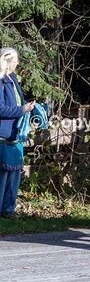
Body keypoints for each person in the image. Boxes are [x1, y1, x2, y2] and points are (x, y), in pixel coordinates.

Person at [0, 48, 35, 219]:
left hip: (16, 134)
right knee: (2, 175)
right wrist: (22, 109)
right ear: (6, 61)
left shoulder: (13, 79)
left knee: (14, 174)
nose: (17, 63)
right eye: (15, 61)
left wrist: (30, 107)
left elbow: (19, 101)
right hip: (3, 135)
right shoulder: (0, 81)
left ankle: (8, 210)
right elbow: (0, 108)